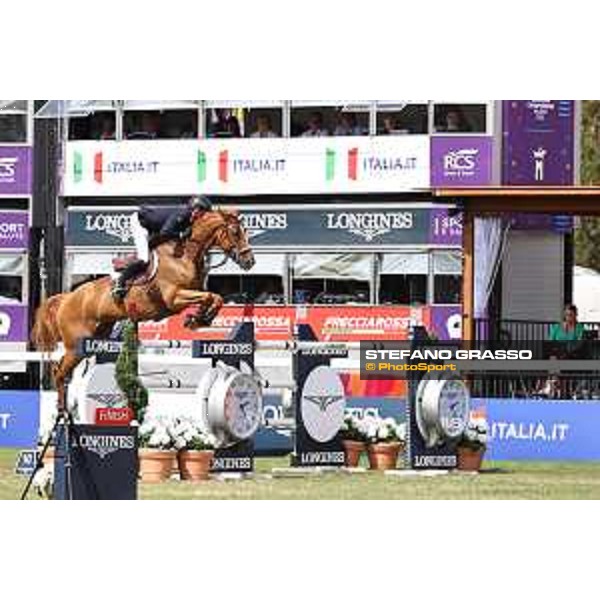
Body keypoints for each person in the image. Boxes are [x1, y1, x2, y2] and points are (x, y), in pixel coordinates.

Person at [111, 196, 212, 300]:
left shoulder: (191, 220)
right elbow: (166, 232)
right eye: (204, 213)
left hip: (155, 227)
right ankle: (120, 282)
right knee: (144, 259)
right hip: (141, 224)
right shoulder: (182, 215)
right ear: (196, 209)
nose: (205, 216)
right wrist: (181, 235)